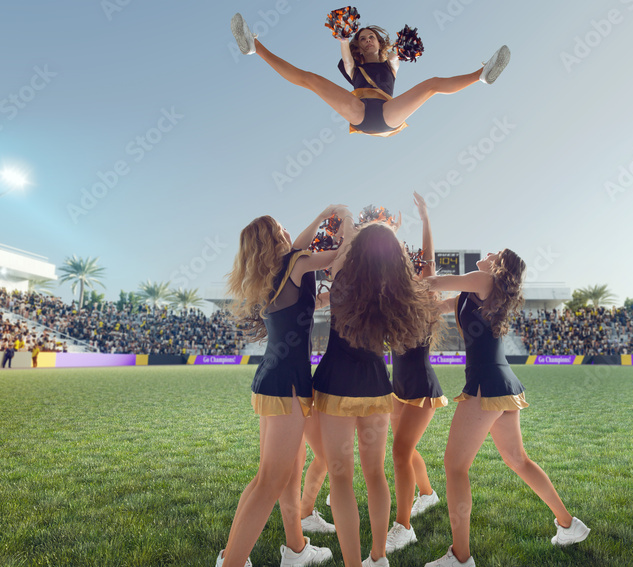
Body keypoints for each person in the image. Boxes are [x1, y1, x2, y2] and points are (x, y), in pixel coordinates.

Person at [425, 250, 589, 567]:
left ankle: (460, 558)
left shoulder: (482, 280)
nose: (486, 253)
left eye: (494, 253)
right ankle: (569, 525)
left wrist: (393, 280)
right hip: (503, 384)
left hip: (486, 384)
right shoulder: (471, 292)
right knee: (518, 460)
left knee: (455, 467)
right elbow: (434, 305)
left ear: (497, 266)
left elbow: (432, 282)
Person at [215, 206, 348, 567]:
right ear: (274, 239)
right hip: (288, 384)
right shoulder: (296, 264)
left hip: (272, 381)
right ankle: (233, 563)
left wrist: (323, 215)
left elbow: (299, 250)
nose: (290, 232)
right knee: (271, 481)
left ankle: (296, 550)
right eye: (282, 229)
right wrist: (346, 221)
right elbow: (339, 255)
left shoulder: (277, 271)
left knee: (276, 475)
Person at [312, 221, 437, 567]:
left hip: (335, 382)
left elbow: (339, 247)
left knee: (340, 477)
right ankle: (378, 557)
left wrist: (341, 218)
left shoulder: (341, 280)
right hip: (376, 385)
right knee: (376, 474)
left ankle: (354, 564)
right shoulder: (398, 293)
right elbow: (425, 266)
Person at [229, 12, 510, 137]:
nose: (366, 40)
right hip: (360, 112)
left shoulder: (391, 63)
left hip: (388, 114)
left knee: (431, 85)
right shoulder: (354, 66)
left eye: (371, 37)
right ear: (358, 47)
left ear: (379, 42)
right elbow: (345, 49)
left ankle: (482, 74)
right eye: (361, 38)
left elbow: (399, 51)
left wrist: (404, 45)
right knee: (311, 79)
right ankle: (256, 47)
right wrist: (343, 35)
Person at [386, 193, 448, 554]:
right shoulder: (392, 299)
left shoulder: (425, 293)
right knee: (405, 451)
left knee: (398, 452)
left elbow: (429, 259)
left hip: (422, 388)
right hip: (398, 388)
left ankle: (403, 525)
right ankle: (427, 493)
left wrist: (424, 218)